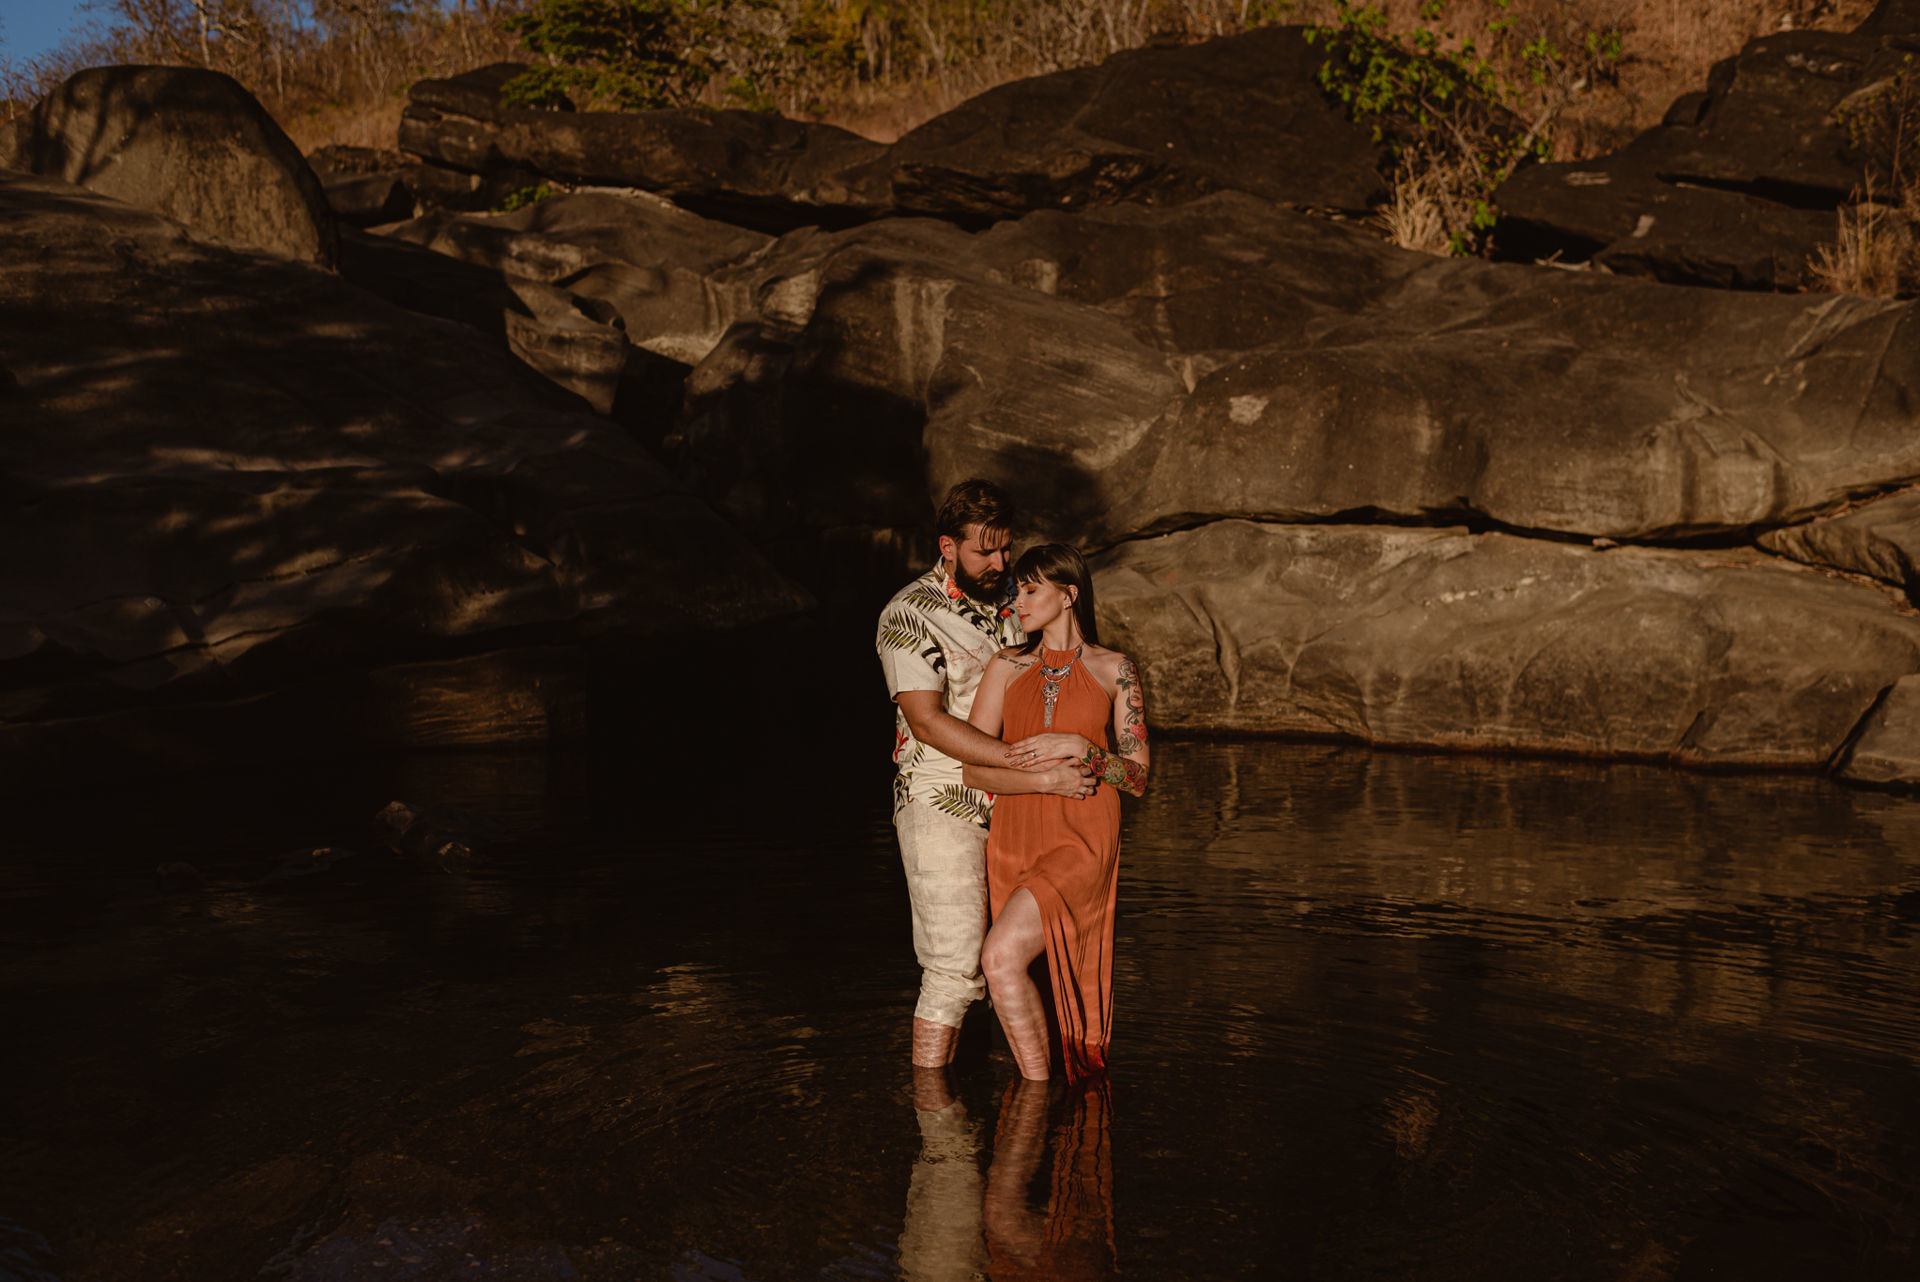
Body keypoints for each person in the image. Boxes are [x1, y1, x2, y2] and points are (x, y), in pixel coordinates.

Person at [877, 482, 1099, 1070]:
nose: (1001, 564)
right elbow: (925, 721)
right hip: (940, 800)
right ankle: (935, 1122)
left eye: (1007, 550)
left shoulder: (1018, 596)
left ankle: (1034, 1101)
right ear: (947, 546)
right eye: (985, 552)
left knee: (1022, 959)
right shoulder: (908, 613)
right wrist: (1024, 762)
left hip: (1020, 803)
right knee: (953, 965)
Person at [963, 544, 1150, 1082]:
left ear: (1068, 595)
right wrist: (1043, 777)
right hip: (1014, 837)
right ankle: (1043, 1098)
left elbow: (1136, 779)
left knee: (998, 957)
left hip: (1083, 838)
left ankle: (1036, 1096)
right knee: (1016, 972)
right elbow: (974, 771)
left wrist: (1081, 746)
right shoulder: (1006, 665)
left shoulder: (1116, 669)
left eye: (1030, 589)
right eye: (1015, 590)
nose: (1016, 601)